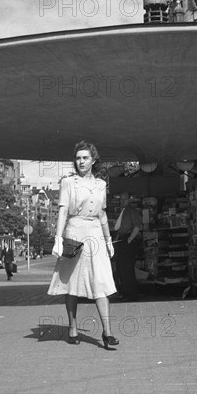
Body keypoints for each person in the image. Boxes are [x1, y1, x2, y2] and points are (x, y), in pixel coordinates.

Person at [47, 141, 118, 348]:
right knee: (72, 283)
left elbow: (103, 213)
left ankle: (107, 332)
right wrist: (58, 238)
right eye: (78, 158)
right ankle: (73, 327)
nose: (81, 162)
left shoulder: (101, 185)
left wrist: (108, 240)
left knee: (101, 283)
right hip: (75, 232)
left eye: (85, 158)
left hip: (95, 233)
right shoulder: (69, 183)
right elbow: (62, 210)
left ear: (93, 160)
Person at [113, 192, 142, 301]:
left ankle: (130, 294)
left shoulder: (132, 211)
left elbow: (137, 227)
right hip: (122, 240)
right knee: (121, 268)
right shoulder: (123, 211)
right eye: (121, 199)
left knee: (127, 269)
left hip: (127, 241)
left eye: (124, 199)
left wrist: (130, 239)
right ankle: (125, 293)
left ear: (129, 200)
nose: (122, 201)